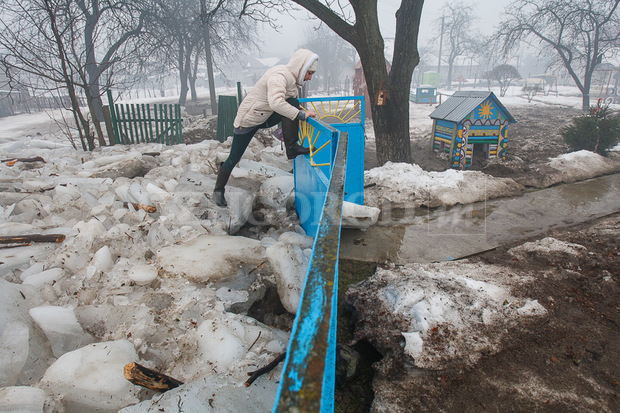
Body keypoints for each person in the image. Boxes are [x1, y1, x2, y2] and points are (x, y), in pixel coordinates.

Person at [213, 49, 319, 207]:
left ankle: (292, 148)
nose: (310, 77)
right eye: (309, 73)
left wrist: (299, 113)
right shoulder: (279, 77)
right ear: (301, 68)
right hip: (248, 120)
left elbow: (287, 103)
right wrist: (301, 116)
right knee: (234, 158)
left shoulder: (291, 79)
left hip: (264, 116)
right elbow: (276, 103)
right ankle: (218, 190)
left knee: (293, 104)